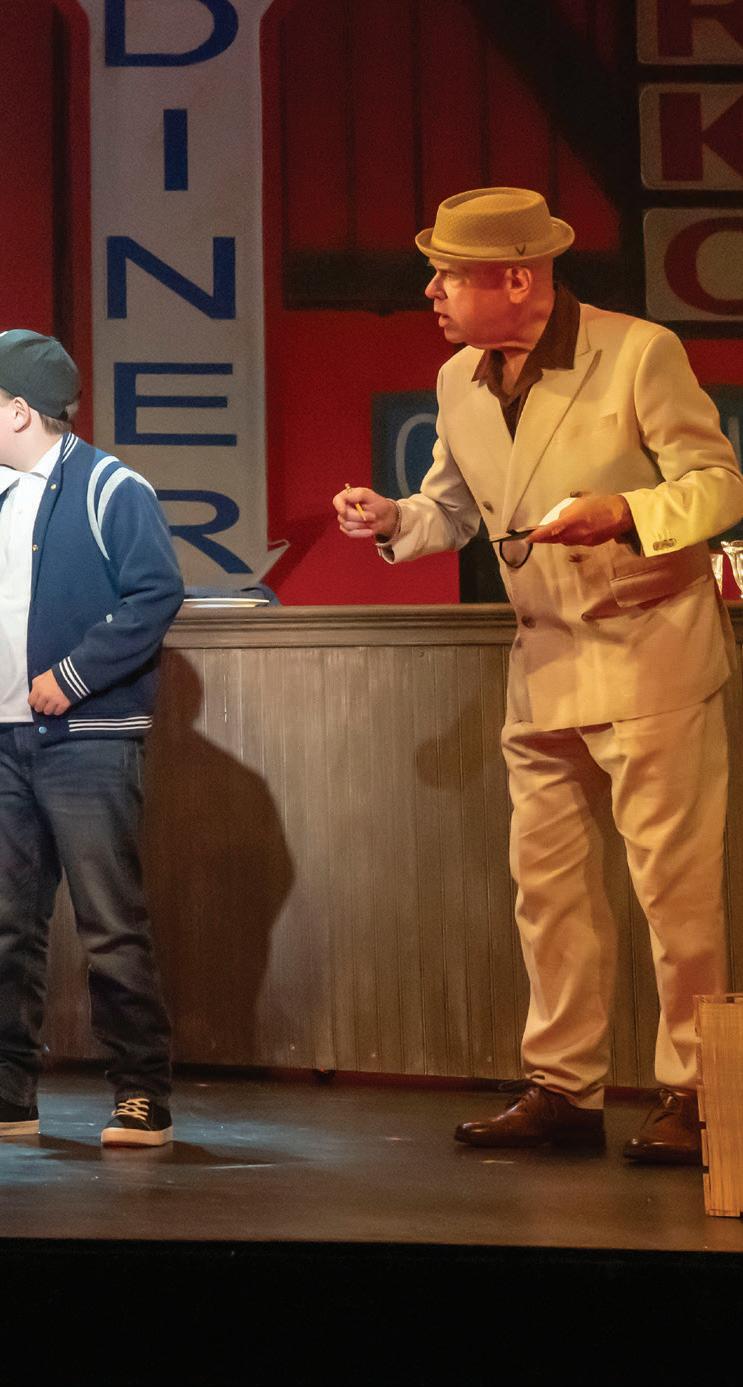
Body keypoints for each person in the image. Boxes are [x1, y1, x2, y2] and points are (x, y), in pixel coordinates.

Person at [333, 187, 743, 1164]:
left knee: (675, 896)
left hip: (647, 652)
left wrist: (626, 512)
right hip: (545, 664)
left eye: (447, 275)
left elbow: (717, 484)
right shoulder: (457, 380)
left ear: (515, 279)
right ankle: (563, 1088)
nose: (431, 292)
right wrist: (394, 520)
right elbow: (451, 508)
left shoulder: (635, 352)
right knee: (546, 889)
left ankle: (698, 1095)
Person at [0, 329, 184, 1147]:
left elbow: (155, 593)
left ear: (18, 410)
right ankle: (9, 1092)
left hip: (86, 740)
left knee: (109, 922)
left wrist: (72, 675)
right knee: (7, 924)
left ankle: (141, 1092)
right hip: (5, 740)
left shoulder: (112, 487)